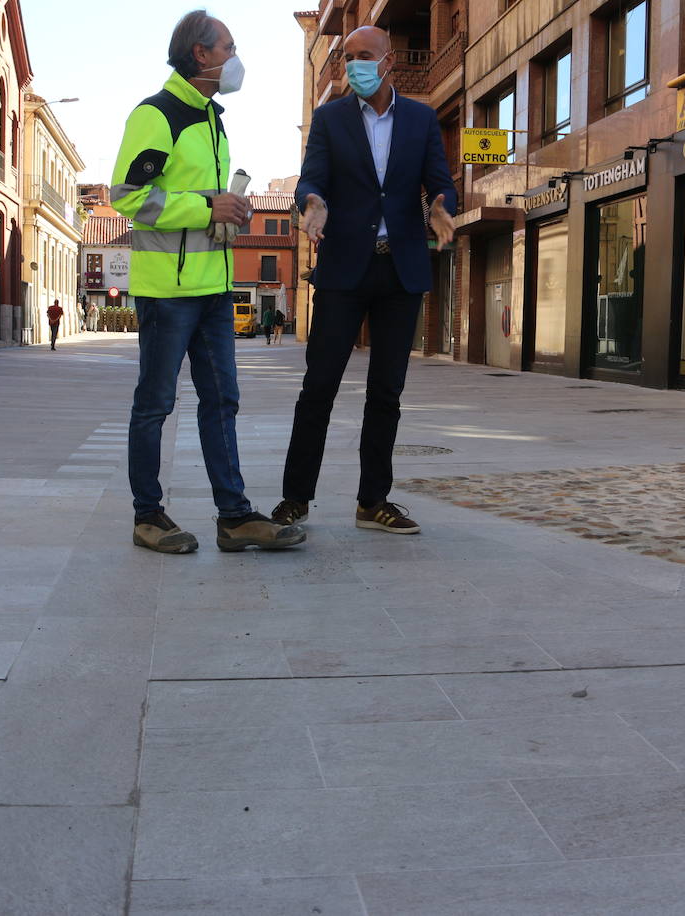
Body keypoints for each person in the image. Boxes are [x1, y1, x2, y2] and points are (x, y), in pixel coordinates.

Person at [110, 9, 306, 554]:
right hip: (168, 294)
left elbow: (195, 201)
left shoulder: (211, 119)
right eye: (227, 48)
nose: (233, 59)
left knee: (222, 402)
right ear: (201, 54)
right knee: (155, 404)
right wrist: (205, 204)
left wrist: (228, 209)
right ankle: (148, 516)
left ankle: (235, 516)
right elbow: (125, 196)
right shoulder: (158, 114)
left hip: (214, 290)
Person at [270, 26, 456, 535]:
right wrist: (310, 201)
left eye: (365, 56)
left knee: (386, 392)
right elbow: (312, 177)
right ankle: (295, 500)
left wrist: (441, 206)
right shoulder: (330, 118)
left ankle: (373, 501)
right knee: (318, 388)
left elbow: (440, 180)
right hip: (344, 271)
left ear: (389, 60)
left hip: (400, 269)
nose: (355, 64)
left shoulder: (420, 118)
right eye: (349, 56)